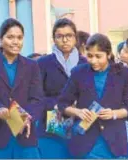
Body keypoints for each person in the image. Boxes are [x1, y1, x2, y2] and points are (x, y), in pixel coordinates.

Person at [0, 18, 44, 159]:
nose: (15, 42)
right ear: (0, 39)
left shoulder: (32, 66)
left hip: (25, 136)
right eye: (10, 37)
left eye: (19, 38)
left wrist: (28, 117)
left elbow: (37, 98)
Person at [57, 33, 128, 159]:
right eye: (89, 56)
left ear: (109, 54)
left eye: (98, 56)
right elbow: (62, 103)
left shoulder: (123, 74)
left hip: (114, 143)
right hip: (85, 143)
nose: (93, 61)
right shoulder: (78, 73)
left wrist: (114, 114)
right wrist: (78, 112)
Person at [36, 18, 87, 159]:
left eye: (69, 36)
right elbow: (36, 96)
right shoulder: (43, 63)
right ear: (54, 39)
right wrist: (60, 105)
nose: (65, 40)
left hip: (79, 126)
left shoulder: (85, 64)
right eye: (60, 36)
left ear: (75, 38)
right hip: (51, 128)